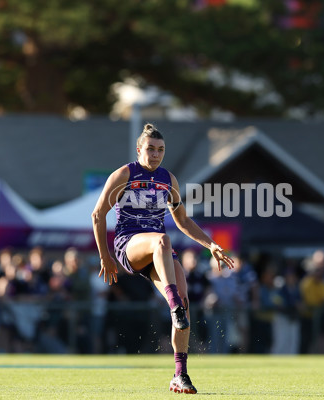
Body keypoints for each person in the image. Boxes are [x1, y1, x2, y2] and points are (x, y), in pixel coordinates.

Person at [92, 123, 235, 394]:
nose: (156, 154)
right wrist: (105, 256)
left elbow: (181, 220)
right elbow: (98, 215)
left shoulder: (168, 179)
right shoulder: (124, 174)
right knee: (162, 241)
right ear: (139, 150)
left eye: (160, 150)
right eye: (150, 149)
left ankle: (180, 375)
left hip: (159, 252)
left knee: (184, 300)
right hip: (130, 245)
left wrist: (211, 244)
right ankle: (173, 307)